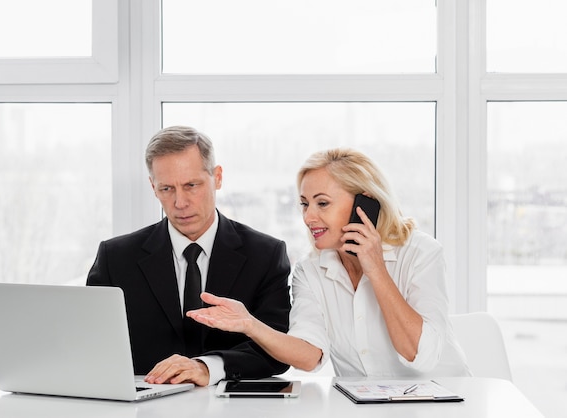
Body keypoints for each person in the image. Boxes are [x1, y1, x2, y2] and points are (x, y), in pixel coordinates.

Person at [188, 148, 471, 378]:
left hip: (445, 402)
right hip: (366, 407)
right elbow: (310, 356)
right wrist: (249, 324)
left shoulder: (421, 253)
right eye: (304, 203)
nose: (309, 217)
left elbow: (418, 354)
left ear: (365, 204)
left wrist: (376, 270)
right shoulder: (311, 270)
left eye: (322, 204)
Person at [86, 126, 291, 386]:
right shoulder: (115, 258)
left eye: (191, 185)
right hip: (143, 405)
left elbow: (278, 349)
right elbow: (92, 344)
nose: (180, 203)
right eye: (166, 189)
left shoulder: (266, 254)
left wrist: (208, 366)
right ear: (153, 186)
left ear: (217, 177)